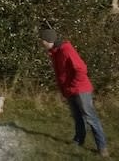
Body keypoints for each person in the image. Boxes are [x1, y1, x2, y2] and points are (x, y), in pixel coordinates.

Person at [39, 29, 109, 158]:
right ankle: (78, 140)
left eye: (42, 40)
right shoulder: (54, 52)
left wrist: (73, 84)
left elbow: (81, 69)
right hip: (70, 90)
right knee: (77, 117)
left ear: (49, 41)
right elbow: (61, 73)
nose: (41, 43)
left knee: (90, 118)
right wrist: (64, 89)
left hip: (80, 89)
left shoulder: (66, 49)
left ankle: (102, 147)